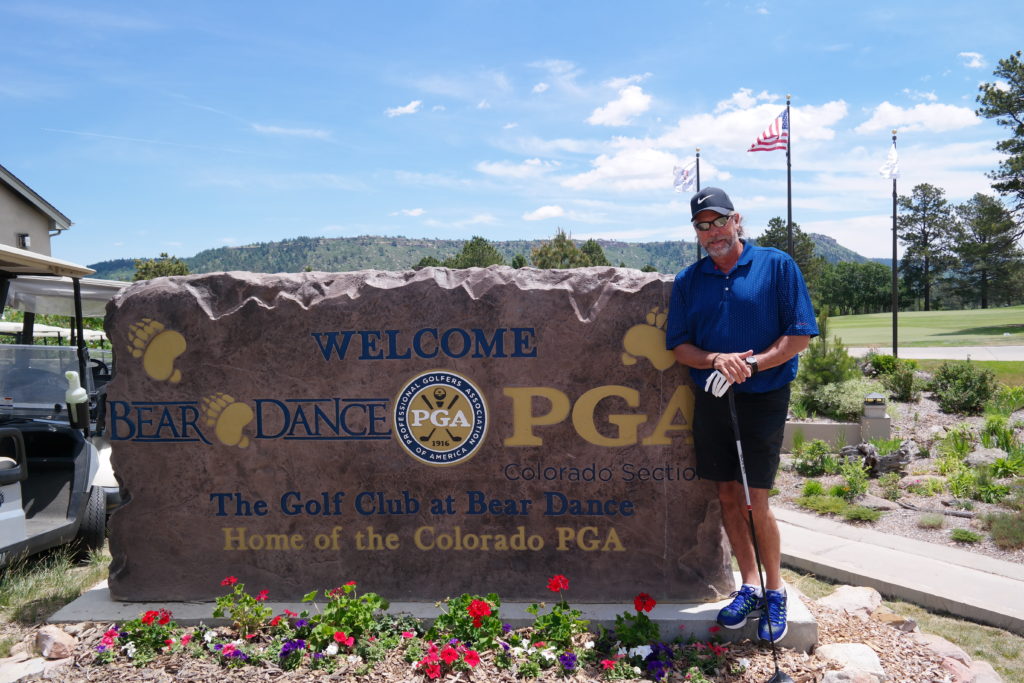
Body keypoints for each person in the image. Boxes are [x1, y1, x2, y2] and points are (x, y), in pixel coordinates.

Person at [665, 186, 818, 642]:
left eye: (718, 221)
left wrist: (751, 363)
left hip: (763, 394)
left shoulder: (776, 266)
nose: (711, 232)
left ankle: (775, 590)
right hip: (714, 395)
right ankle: (749, 585)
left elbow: (799, 334)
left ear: (737, 220)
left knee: (756, 500)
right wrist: (717, 360)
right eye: (702, 225)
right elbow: (680, 346)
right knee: (729, 495)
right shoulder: (689, 281)